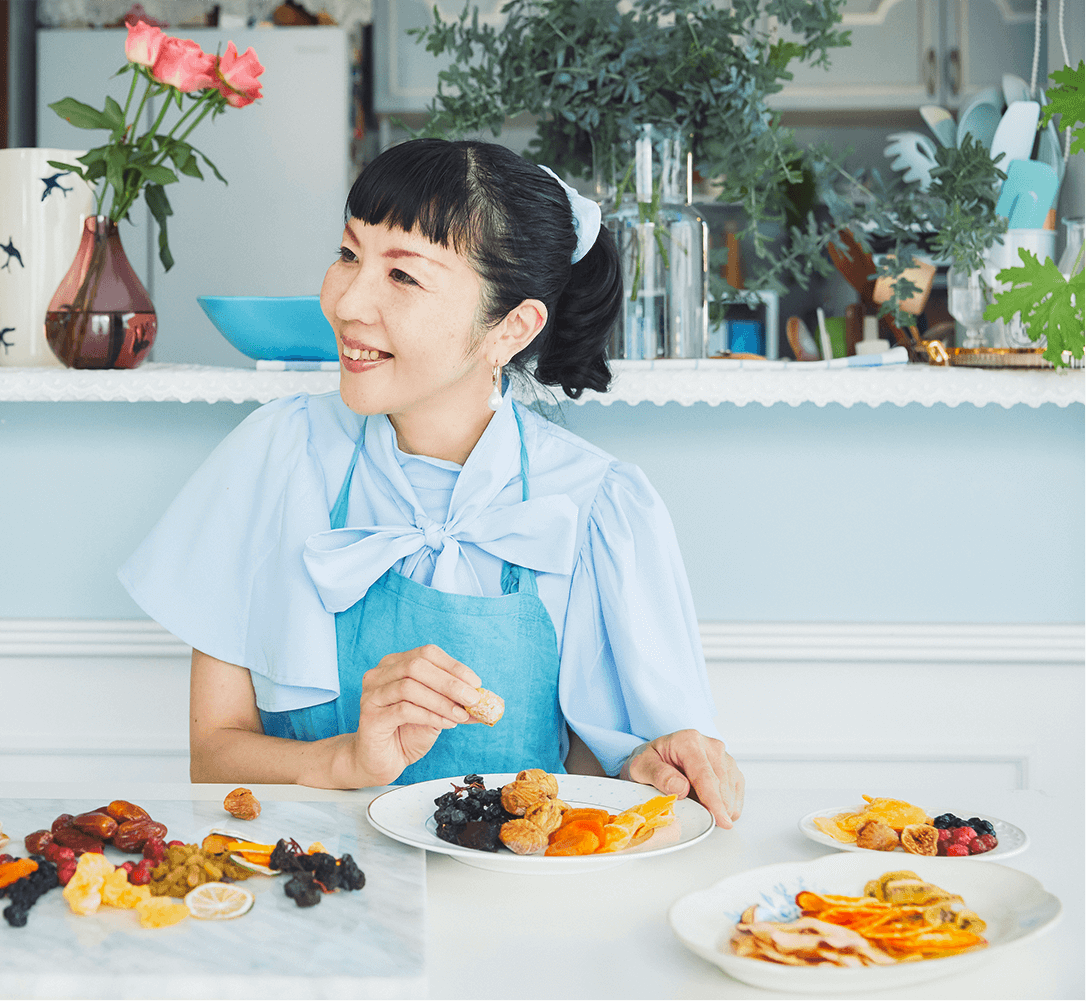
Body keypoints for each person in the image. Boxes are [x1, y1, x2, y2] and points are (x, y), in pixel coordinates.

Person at [120, 139, 743, 828]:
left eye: (403, 277)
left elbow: (595, 775)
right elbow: (213, 753)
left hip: (508, 902)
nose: (348, 302)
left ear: (510, 328)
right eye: (350, 255)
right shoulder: (274, 455)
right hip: (300, 884)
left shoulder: (597, 504)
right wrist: (347, 760)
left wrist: (650, 767)